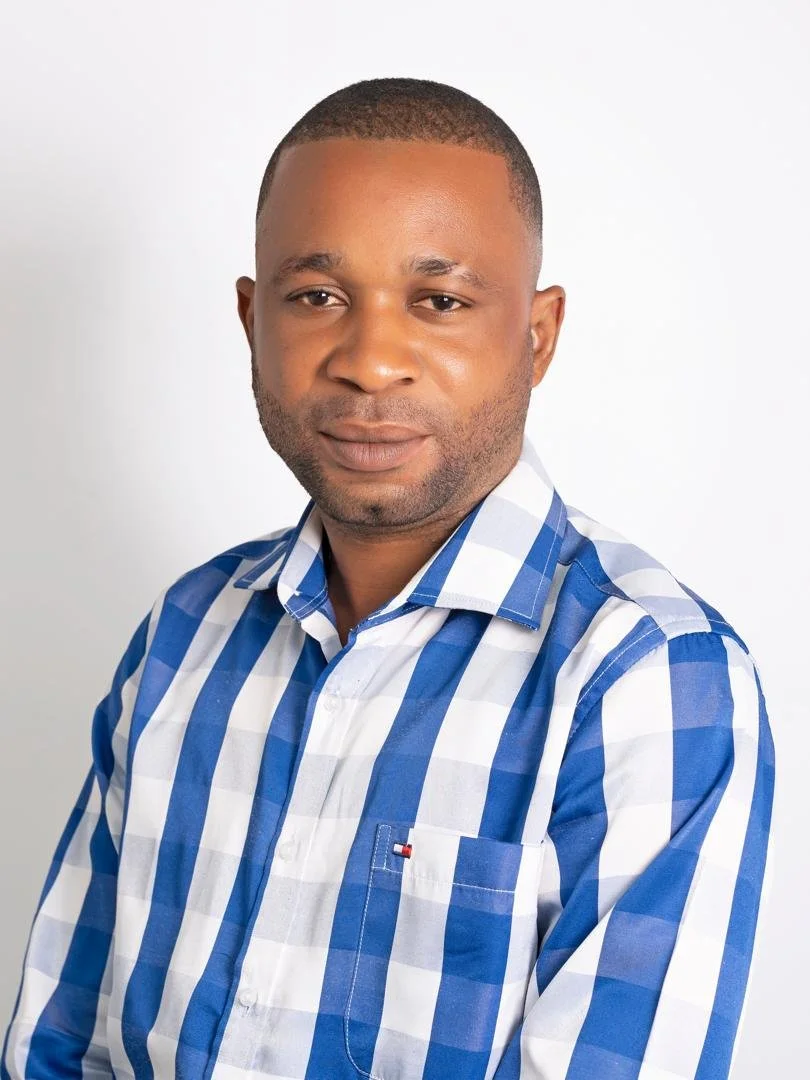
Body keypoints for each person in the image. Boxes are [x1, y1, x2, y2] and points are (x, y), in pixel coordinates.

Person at [3, 77, 774, 1080]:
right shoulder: (184, 634)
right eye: (318, 296)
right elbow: (60, 1045)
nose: (371, 361)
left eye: (439, 300)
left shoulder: (648, 680)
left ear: (536, 335)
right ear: (251, 320)